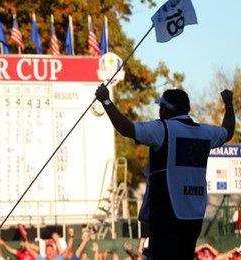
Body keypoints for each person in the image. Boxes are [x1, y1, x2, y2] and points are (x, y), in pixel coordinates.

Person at [95, 86, 236, 259]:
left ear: (166, 109)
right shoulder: (205, 132)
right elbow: (228, 132)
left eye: (161, 107)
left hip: (167, 212)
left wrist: (106, 101)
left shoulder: (162, 129)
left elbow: (127, 129)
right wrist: (229, 104)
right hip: (194, 214)